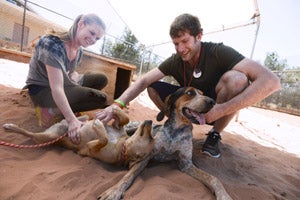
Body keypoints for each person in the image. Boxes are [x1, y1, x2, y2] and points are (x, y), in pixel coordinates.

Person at [95, 13, 281, 158]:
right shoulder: (176, 60)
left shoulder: (218, 51)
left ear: (198, 36)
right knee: (152, 85)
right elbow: (143, 80)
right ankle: (177, 126)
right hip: (189, 106)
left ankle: (214, 135)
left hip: (215, 106)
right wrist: (116, 105)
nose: (180, 49)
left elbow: (271, 81)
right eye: (176, 43)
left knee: (237, 79)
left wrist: (221, 109)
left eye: (185, 41)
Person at [24, 14, 108, 144]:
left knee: (101, 79)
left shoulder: (78, 50)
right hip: (42, 90)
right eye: (91, 33)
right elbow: (56, 87)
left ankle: (64, 107)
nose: (92, 40)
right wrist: (71, 120)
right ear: (80, 24)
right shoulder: (52, 44)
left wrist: (74, 79)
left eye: (97, 38)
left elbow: (69, 74)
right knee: (100, 98)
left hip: (61, 83)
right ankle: (48, 111)